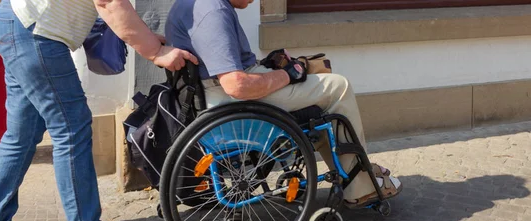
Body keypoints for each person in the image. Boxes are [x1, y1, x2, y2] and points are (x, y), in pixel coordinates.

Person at [0, 0, 198, 221]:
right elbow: (109, 2)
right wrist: (156, 51)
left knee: (22, 134)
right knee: (70, 129)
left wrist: (146, 37)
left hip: (17, 24)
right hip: (37, 33)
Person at [165, 0, 402, 207]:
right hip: (234, 102)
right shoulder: (213, 10)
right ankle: (360, 187)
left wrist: (269, 66)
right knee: (337, 87)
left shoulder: (191, 4)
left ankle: (353, 173)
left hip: (218, 97)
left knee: (318, 90)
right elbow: (236, 85)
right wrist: (288, 75)